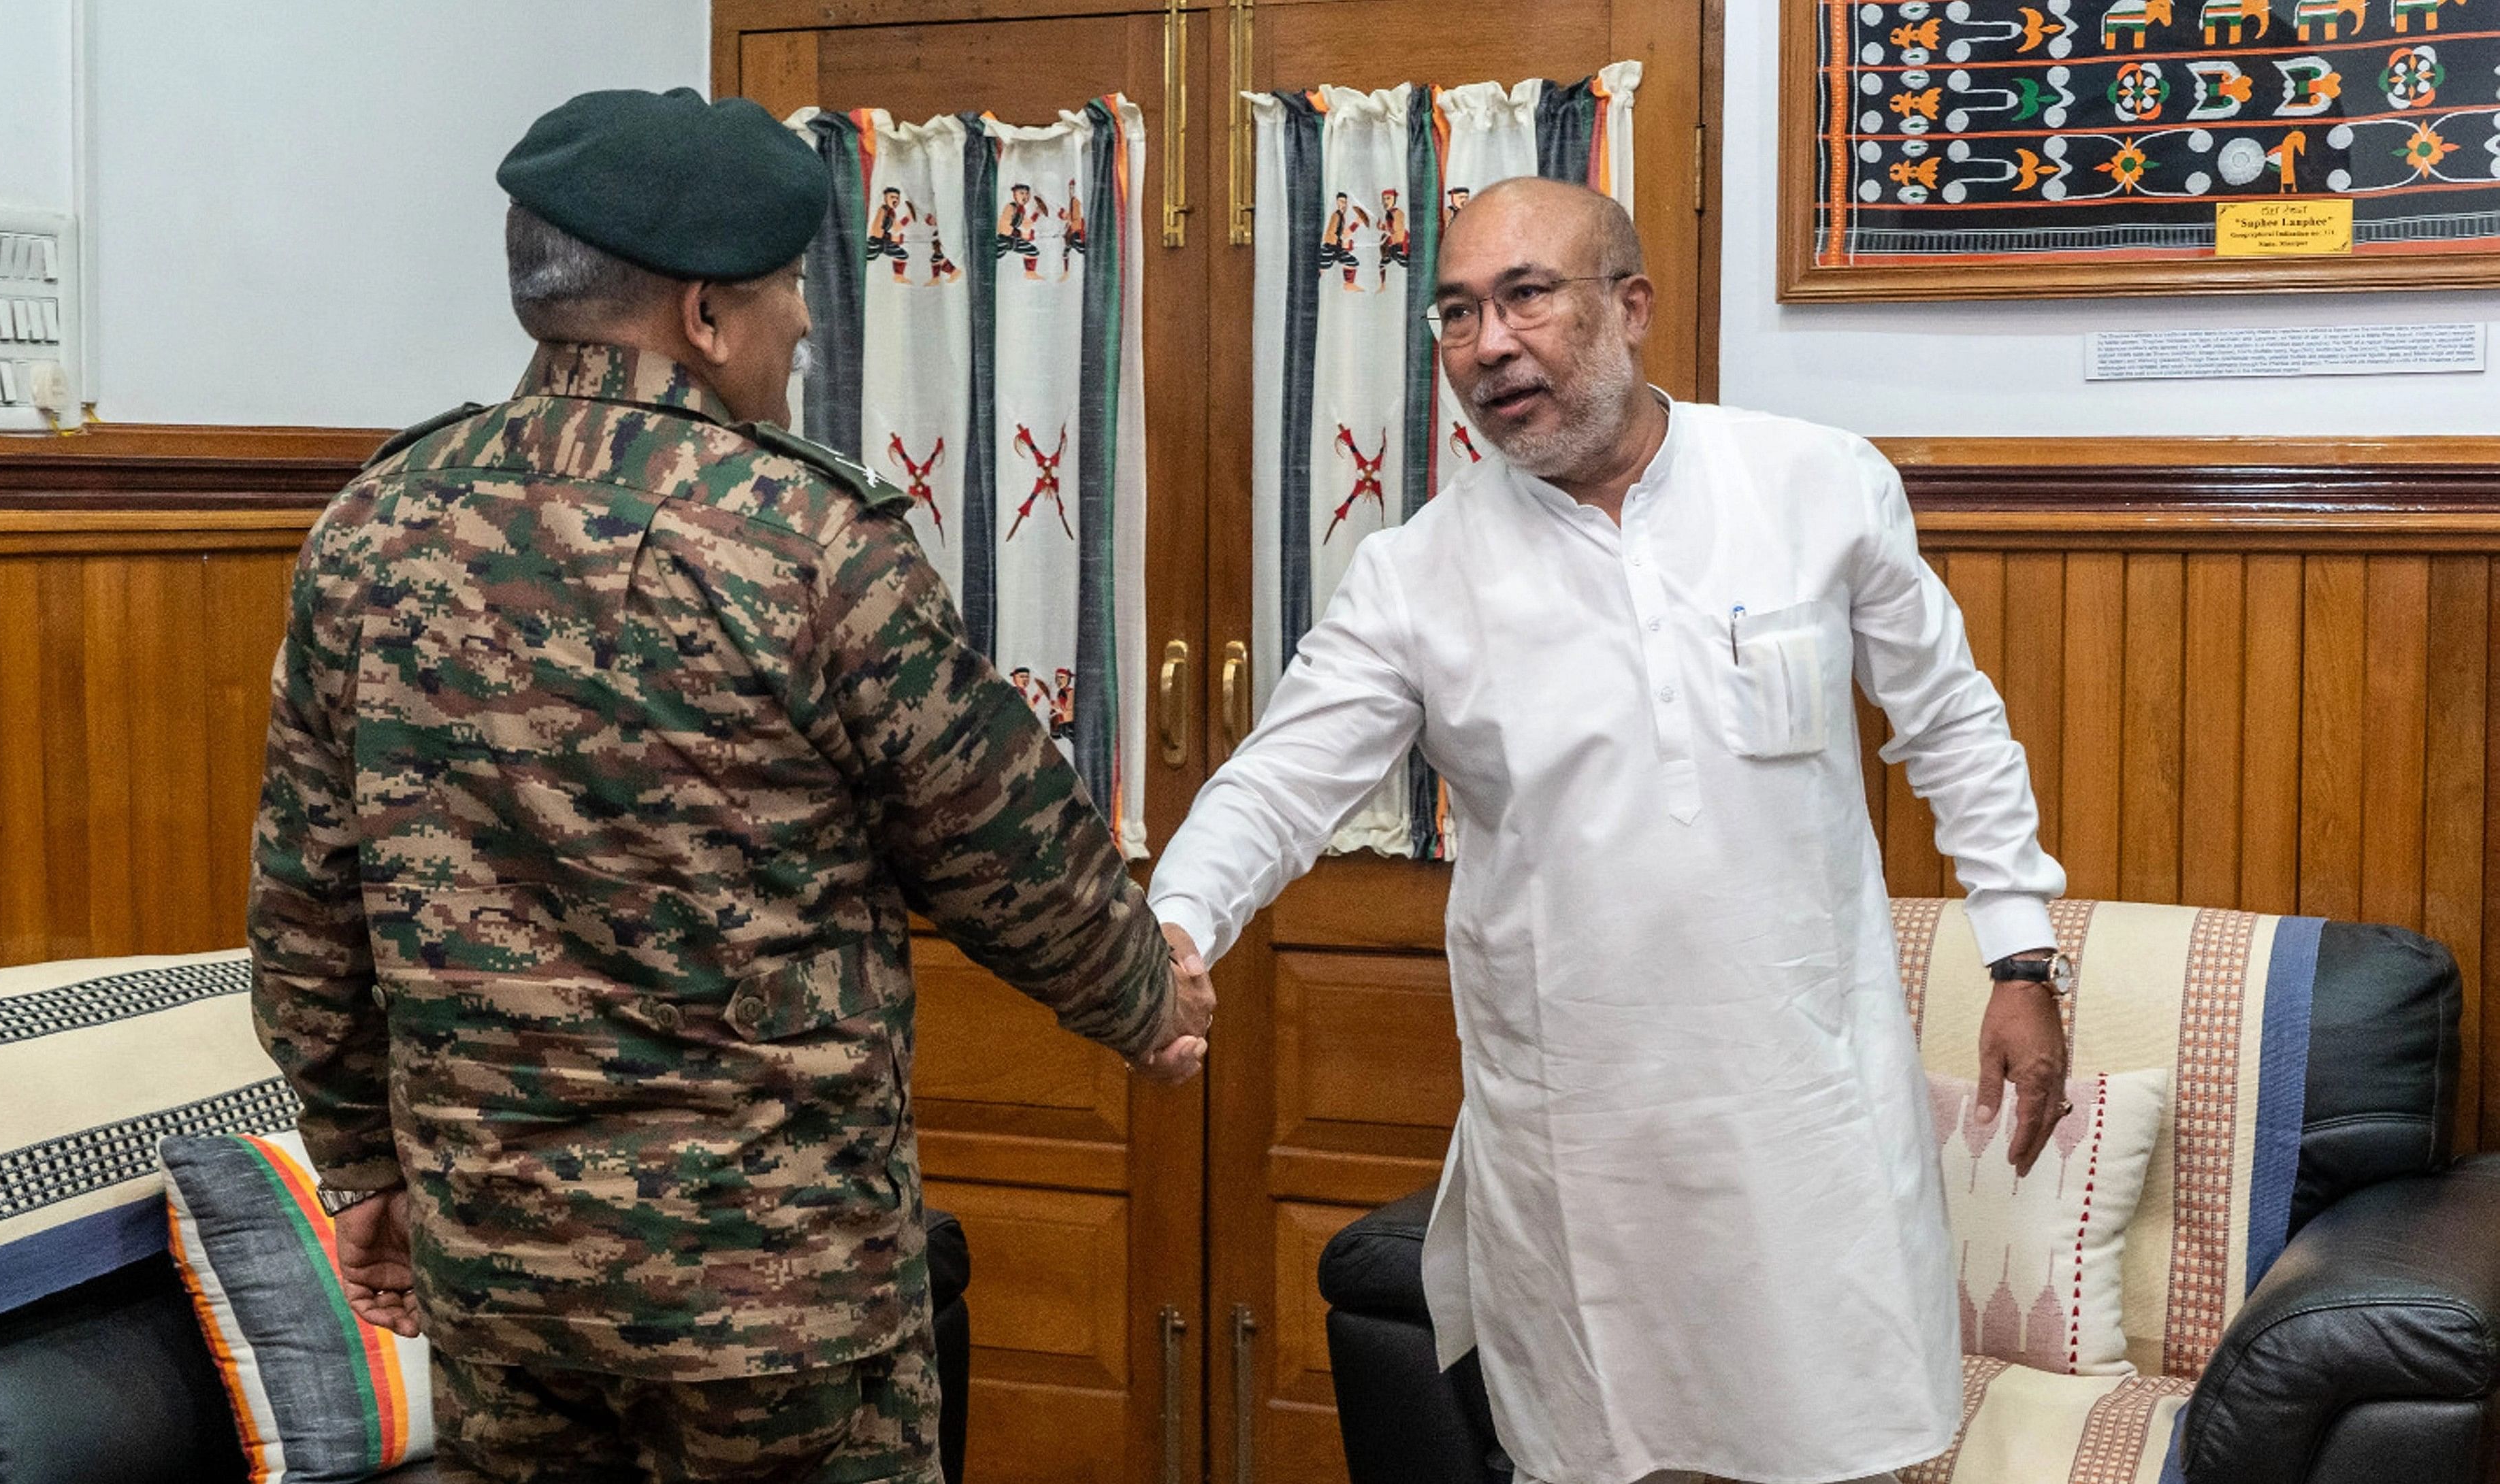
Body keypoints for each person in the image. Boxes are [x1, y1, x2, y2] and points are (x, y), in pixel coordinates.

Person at [248, 87, 1208, 1484]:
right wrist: (1145, 998)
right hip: (779, 1290)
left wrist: (361, 1164)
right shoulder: (806, 540)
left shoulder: (370, 530)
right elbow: (1004, 839)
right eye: (784, 297)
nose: (805, 327)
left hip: (504, 1279)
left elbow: (306, 912)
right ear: (704, 316)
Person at [1148, 176, 2071, 1484]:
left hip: (1804, 1107)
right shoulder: (1415, 576)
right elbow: (1278, 782)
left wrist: (2019, 955)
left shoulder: (1813, 485)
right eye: (1457, 314)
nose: (1489, 344)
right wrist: (1173, 927)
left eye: (1526, 296)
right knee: (1599, 1457)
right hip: (1578, 1146)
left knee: (1838, 1445)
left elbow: (1951, 721)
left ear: (1630, 308)